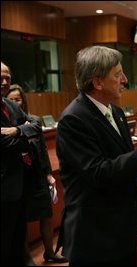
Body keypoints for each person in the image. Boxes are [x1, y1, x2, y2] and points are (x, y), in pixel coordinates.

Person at [55, 46, 137, 266]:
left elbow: (121, 161)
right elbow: (98, 172)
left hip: (121, 227)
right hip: (95, 233)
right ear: (97, 82)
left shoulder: (115, 111)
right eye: (117, 75)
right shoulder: (74, 119)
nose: (125, 79)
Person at [6, 84, 68, 264]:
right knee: (21, 220)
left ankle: (49, 252)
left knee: (46, 214)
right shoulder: (7, 124)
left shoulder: (32, 120)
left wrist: (48, 173)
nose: (15, 102)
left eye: (18, 99)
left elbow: (41, 150)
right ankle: (26, 257)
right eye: (11, 99)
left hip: (36, 174)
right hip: (19, 177)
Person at [1, 62, 42, 265]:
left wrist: (18, 131)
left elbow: (35, 124)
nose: (4, 82)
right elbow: (4, 144)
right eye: (1, 77)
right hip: (3, 187)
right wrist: (23, 135)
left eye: (7, 77)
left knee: (18, 239)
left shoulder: (9, 105)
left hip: (19, 184)